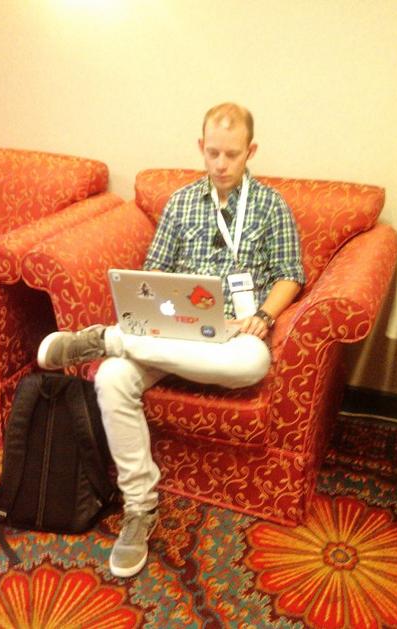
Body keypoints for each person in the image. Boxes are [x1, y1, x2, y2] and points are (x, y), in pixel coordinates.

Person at [37, 103, 305, 578]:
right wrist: (154, 310)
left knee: (253, 365)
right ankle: (139, 506)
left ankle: (107, 339)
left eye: (232, 154)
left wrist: (264, 316)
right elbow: (154, 274)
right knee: (112, 378)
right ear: (201, 147)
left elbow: (290, 275)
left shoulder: (271, 206)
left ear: (251, 152)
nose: (221, 164)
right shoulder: (181, 203)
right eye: (213, 153)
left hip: (233, 334)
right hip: (176, 329)